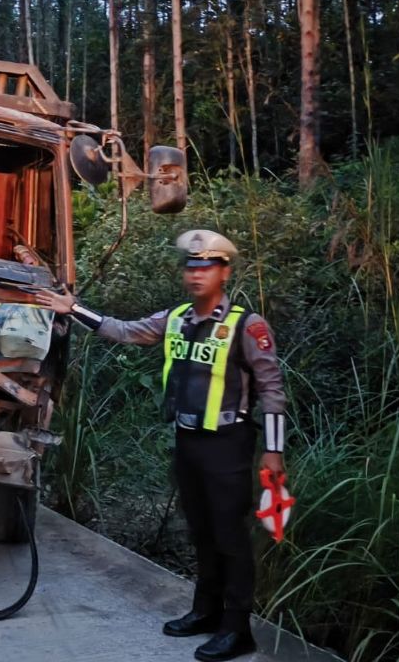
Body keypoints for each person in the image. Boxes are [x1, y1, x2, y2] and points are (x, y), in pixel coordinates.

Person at [35, 230, 287, 662]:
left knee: (230, 536)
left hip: (229, 443)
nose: (196, 274)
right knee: (200, 532)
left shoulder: (248, 325)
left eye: (206, 266)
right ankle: (204, 613)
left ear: (224, 272)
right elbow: (124, 330)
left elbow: (272, 389)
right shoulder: (176, 318)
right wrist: (72, 308)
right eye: (190, 266)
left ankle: (237, 627)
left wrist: (274, 450)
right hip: (188, 441)